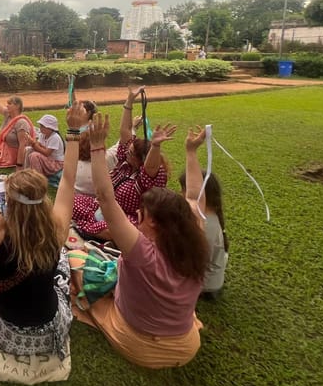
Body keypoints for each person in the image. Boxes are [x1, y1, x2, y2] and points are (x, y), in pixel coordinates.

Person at [0, 93, 84, 360]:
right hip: (53, 330)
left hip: (8, 333)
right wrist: (74, 131)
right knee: (63, 261)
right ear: (43, 199)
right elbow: (68, 180)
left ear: (9, 201)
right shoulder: (57, 230)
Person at [72, 117, 209, 369]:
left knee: (78, 265)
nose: (136, 216)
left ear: (153, 222)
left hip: (140, 345)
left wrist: (97, 146)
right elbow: (194, 196)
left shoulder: (142, 252)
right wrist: (191, 152)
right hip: (187, 344)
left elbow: (105, 198)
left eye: (140, 214)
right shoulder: (195, 239)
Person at [72, 86, 170, 239]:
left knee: (112, 229)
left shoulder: (146, 178)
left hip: (125, 218)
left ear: (141, 160)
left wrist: (155, 146)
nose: (126, 153)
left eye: (131, 153)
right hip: (102, 208)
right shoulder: (126, 163)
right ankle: (90, 226)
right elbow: (125, 131)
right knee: (72, 201)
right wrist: (129, 101)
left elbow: (151, 166)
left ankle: (88, 228)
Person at [179, 168, 228, 300]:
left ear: (200, 195)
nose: (181, 194)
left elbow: (193, 261)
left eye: (184, 189)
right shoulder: (209, 216)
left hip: (206, 285)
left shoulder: (206, 225)